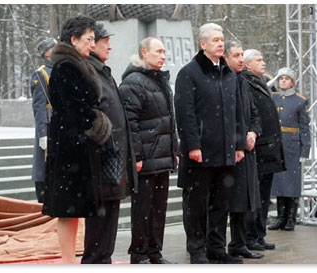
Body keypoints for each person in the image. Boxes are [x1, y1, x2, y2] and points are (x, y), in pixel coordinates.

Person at [174, 23, 247, 264]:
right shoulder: (189, 73)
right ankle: (197, 250)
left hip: (226, 153)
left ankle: (217, 248)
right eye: (215, 40)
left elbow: (237, 113)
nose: (220, 43)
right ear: (203, 44)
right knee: (197, 205)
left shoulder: (228, 74)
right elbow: (185, 113)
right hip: (201, 153)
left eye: (222, 39)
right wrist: (193, 145)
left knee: (220, 205)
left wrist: (238, 145)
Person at [42, 15, 112, 264]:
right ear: (73, 39)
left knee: (73, 210)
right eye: (89, 39)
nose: (92, 44)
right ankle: (68, 261)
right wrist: (98, 124)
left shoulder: (76, 64)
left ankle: (70, 260)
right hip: (70, 147)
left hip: (77, 146)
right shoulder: (66, 67)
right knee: (67, 210)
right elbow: (76, 108)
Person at [81, 22, 137, 264]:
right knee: (100, 220)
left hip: (114, 155)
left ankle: (104, 260)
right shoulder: (88, 72)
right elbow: (86, 115)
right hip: (101, 157)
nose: (110, 47)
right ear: (92, 44)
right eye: (106, 41)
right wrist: (105, 139)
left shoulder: (103, 71)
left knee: (110, 215)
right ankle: (95, 262)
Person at [118, 37, 179, 264]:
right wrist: (138, 155)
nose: (163, 56)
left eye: (164, 52)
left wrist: (175, 150)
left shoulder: (159, 80)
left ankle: (154, 252)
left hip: (162, 156)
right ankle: (139, 253)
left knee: (158, 208)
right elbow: (130, 124)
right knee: (143, 208)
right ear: (145, 53)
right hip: (145, 158)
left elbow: (169, 121)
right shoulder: (133, 82)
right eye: (158, 51)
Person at [242, 49, 286, 251]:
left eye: (263, 58)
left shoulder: (262, 82)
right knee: (254, 196)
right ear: (247, 64)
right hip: (258, 149)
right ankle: (250, 236)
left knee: (264, 195)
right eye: (258, 60)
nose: (263, 63)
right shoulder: (245, 82)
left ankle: (259, 234)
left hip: (269, 148)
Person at [223, 40, 263, 259]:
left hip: (247, 150)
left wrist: (253, 133)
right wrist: (239, 139)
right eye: (236, 55)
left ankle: (240, 243)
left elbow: (254, 113)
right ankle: (218, 246)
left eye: (241, 55)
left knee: (244, 201)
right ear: (226, 58)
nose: (240, 59)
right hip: (230, 152)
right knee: (228, 202)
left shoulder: (243, 82)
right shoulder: (222, 81)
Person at [269, 67, 311, 231]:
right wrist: (272, 79)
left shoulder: (300, 101)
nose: (283, 81)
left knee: (292, 183)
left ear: (293, 82)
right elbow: (264, 88)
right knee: (279, 181)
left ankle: (291, 218)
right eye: (280, 79)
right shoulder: (274, 97)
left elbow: (304, 127)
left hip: (293, 145)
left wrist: (305, 149)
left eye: (286, 78)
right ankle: (280, 217)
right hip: (277, 143)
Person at [30, 37, 57, 203]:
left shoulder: (60, 71)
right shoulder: (41, 73)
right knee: (44, 168)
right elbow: (39, 106)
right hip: (48, 126)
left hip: (59, 126)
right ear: (47, 53)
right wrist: (42, 134)